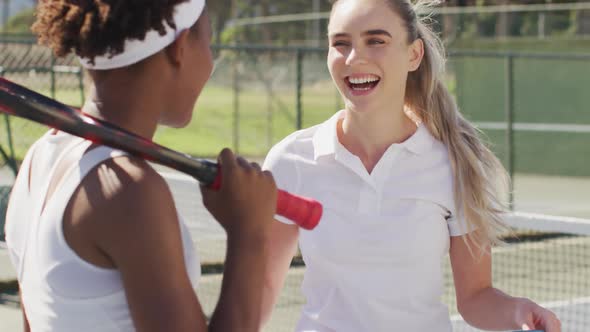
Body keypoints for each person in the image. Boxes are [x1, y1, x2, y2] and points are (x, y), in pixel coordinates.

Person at [261, 0, 561, 331]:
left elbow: (476, 296)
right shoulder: (291, 162)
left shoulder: (456, 164)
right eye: (340, 43)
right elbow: (260, 290)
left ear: (413, 55)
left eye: (376, 41)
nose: (354, 58)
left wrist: (520, 312)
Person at [4, 1, 277, 331]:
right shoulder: (128, 191)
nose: (211, 62)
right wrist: (249, 233)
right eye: (209, 42)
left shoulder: (42, 154)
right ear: (179, 47)